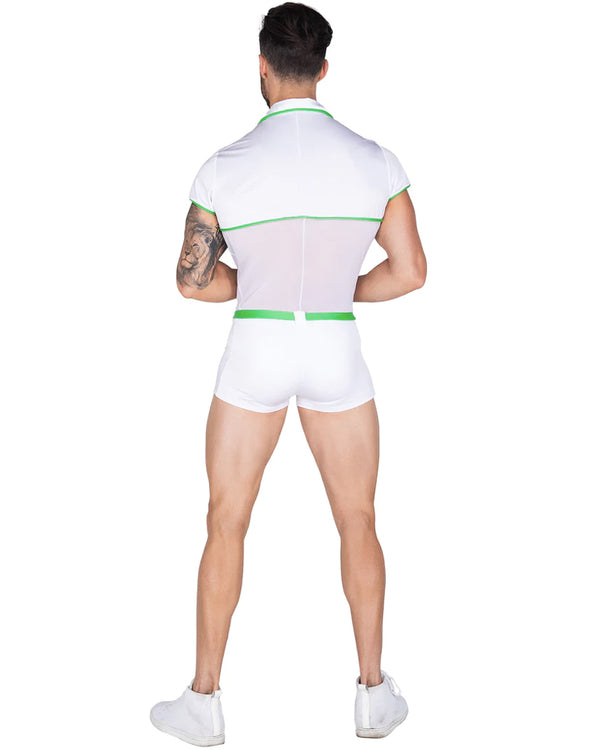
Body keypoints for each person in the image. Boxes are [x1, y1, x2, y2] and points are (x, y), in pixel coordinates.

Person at [150, 2, 426, 745]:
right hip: (335, 345)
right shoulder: (377, 162)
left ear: (262, 67)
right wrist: (337, 290)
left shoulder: (224, 166)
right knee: (359, 519)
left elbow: (192, 282)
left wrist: (258, 283)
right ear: (324, 69)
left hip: (256, 346)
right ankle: (372, 695)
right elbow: (409, 272)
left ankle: (203, 702)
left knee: (226, 520)